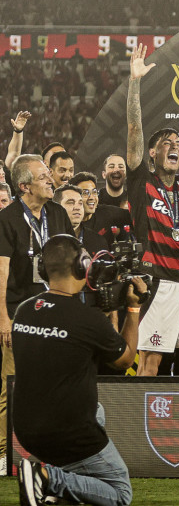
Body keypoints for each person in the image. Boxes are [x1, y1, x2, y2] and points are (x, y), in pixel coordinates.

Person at [13, 234, 144, 506]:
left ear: (43, 268)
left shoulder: (24, 311)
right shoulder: (87, 319)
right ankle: (48, 478)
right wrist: (132, 308)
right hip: (67, 433)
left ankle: (54, 494)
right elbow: (125, 360)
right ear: (83, 265)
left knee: (98, 411)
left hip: (26, 429)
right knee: (120, 494)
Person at [125, 44, 179, 377]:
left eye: (178, 143)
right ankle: (136, 427)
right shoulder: (142, 182)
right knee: (150, 361)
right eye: (165, 144)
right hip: (158, 281)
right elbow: (134, 131)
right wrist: (135, 83)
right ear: (152, 155)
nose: (173, 146)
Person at [0, 155, 73, 474]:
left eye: (48, 174)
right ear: (24, 186)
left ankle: (51, 453)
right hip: (18, 313)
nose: (50, 179)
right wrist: (2, 318)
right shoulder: (7, 218)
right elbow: (0, 272)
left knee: (55, 385)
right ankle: (3, 454)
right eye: (43, 176)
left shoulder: (57, 213)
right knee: (11, 387)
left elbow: (72, 260)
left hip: (54, 314)